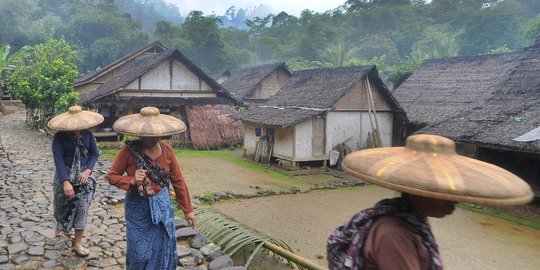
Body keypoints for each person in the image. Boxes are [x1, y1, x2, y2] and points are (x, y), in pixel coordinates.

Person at [327, 134, 533, 270]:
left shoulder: (413, 221)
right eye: (441, 191)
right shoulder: (395, 234)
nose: (453, 200)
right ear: (418, 191)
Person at [106, 106, 196, 269]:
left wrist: (188, 210)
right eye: (149, 135)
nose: (154, 138)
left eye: (157, 134)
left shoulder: (167, 151)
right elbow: (112, 176)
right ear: (139, 133)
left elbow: (178, 181)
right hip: (137, 209)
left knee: (163, 248)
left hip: (162, 207)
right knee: (139, 254)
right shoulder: (128, 152)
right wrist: (132, 181)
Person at [48, 105, 104, 257]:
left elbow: (93, 155)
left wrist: (87, 171)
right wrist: (65, 182)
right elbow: (58, 160)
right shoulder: (59, 137)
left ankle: (77, 243)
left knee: (82, 208)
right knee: (61, 206)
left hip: (84, 176)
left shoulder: (88, 135)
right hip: (64, 174)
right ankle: (61, 223)